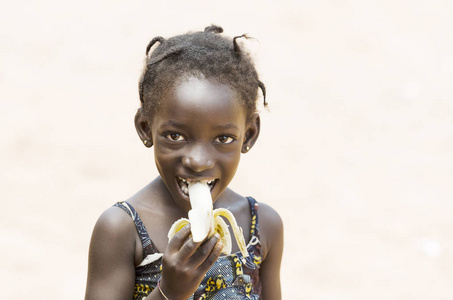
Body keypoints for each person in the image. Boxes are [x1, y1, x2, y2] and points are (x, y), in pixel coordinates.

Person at [85, 25, 284, 300]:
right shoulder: (121, 229)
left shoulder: (261, 226)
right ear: (145, 128)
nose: (198, 161)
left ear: (248, 135)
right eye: (175, 136)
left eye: (223, 138)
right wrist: (169, 291)